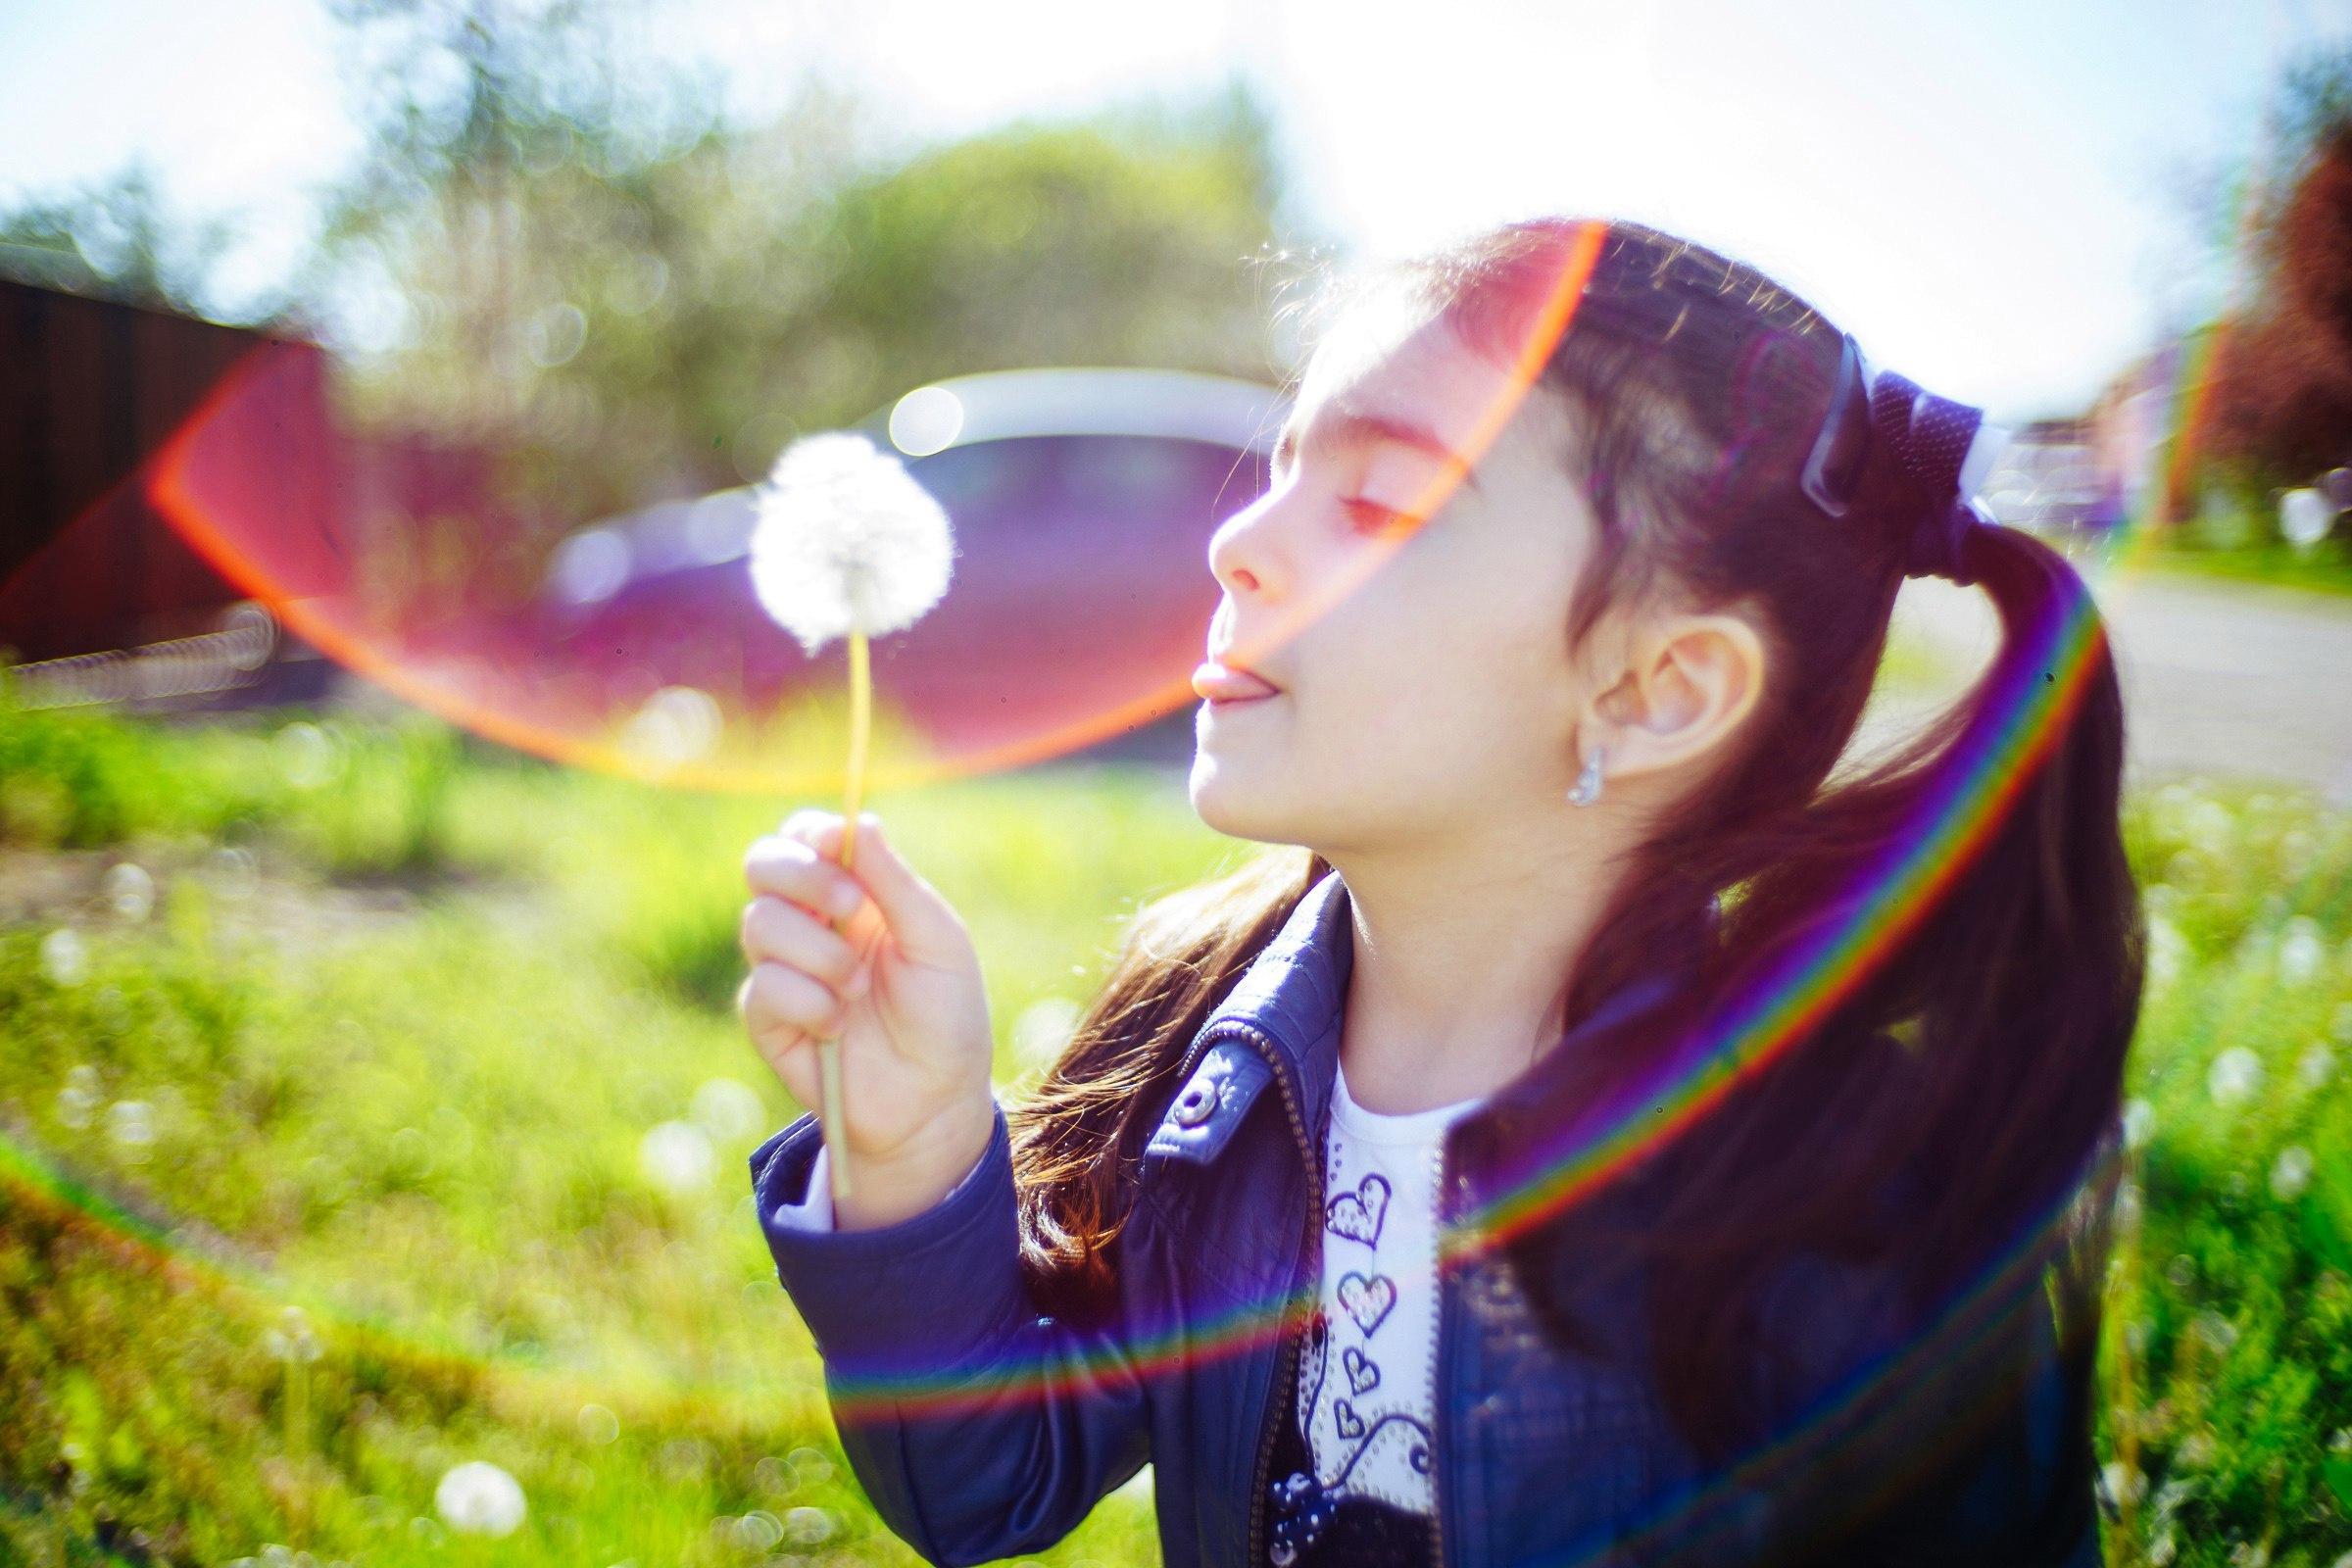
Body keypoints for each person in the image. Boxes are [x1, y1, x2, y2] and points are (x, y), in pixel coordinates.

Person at [735, 219, 2142, 1567]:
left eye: (1379, 498)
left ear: (1653, 690)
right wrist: (912, 1155)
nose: (1241, 541)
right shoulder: (1203, 1048)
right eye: (1281, 469)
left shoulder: (1844, 1200)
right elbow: (988, 1482)